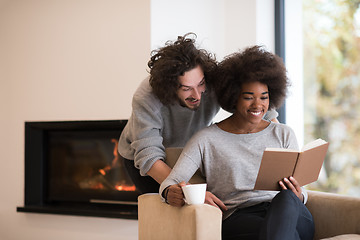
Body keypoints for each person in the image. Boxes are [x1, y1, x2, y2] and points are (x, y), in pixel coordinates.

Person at [160, 46, 315, 240]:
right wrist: (172, 193)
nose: (258, 105)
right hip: (241, 218)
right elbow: (169, 183)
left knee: (286, 200)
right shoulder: (206, 139)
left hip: (292, 213)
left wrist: (298, 194)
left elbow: (301, 194)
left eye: (264, 97)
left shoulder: (283, 133)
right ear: (233, 97)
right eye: (248, 97)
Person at [118, 33, 279, 194]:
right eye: (186, 89)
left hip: (189, 151)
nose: (197, 95)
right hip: (148, 160)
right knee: (170, 204)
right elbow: (148, 155)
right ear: (170, 87)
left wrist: (282, 148)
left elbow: (256, 107)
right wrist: (191, 192)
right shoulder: (146, 97)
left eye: (201, 84)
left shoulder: (214, 81)